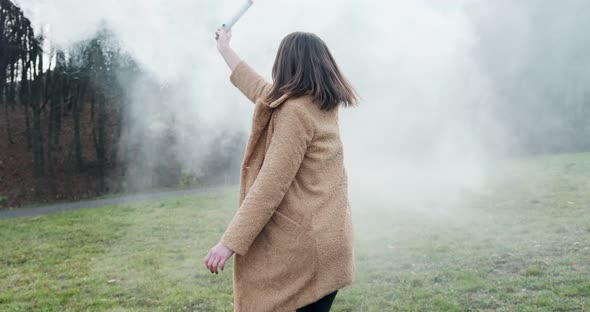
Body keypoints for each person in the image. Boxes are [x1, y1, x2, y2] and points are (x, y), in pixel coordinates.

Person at [204, 26, 358, 312]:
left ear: (286, 64)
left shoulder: (294, 113)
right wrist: (225, 49)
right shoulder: (321, 104)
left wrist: (229, 243)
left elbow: (270, 185)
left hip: (306, 253)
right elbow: (262, 91)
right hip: (330, 245)